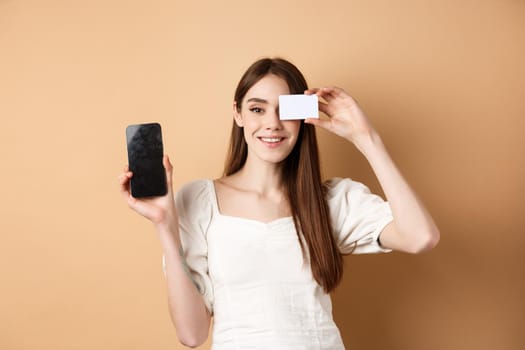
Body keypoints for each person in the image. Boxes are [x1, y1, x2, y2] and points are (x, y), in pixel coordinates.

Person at [118, 57, 440, 349]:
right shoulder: (199, 201)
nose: (272, 124)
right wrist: (165, 226)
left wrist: (366, 138)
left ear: (303, 117)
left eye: (285, 111)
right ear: (238, 113)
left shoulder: (328, 201)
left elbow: (420, 236)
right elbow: (192, 334)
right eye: (257, 109)